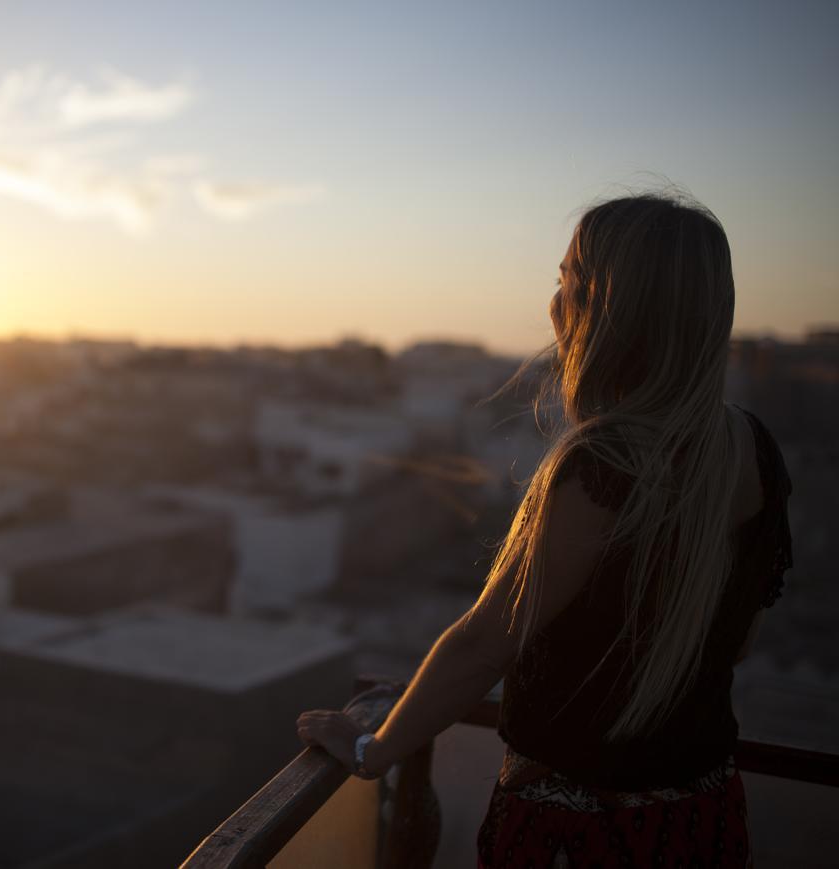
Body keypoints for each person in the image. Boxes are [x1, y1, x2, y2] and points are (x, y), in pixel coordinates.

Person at [296, 193, 793, 867]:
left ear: (606, 307)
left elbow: (483, 645)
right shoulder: (750, 447)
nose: (554, 303)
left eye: (565, 280)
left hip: (575, 832)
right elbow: (735, 642)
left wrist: (373, 747)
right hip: (702, 818)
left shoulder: (604, 466)